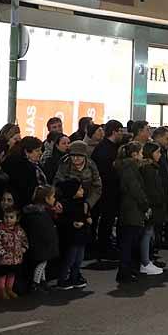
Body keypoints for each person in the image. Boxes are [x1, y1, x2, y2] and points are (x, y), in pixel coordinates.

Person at [115, 142, 148, 283]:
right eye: (141, 153)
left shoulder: (127, 167)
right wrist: (145, 205)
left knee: (129, 242)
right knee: (129, 243)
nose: (142, 156)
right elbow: (135, 189)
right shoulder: (130, 168)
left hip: (129, 208)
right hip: (132, 209)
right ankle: (124, 272)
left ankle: (127, 271)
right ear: (134, 154)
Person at [91, 120, 124, 260]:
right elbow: (106, 171)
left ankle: (105, 246)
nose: (122, 134)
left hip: (110, 190)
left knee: (108, 220)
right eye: (121, 131)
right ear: (114, 131)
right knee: (106, 220)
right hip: (106, 191)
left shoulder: (110, 147)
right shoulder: (104, 149)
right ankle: (104, 248)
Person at [20, 186, 61, 293]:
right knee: (41, 264)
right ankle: (36, 283)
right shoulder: (40, 214)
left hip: (42, 245)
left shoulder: (40, 212)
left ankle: (42, 282)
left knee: (43, 264)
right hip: (42, 246)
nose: (54, 199)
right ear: (46, 199)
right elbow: (44, 232)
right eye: (53, 196)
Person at [138, 142, 168, 275]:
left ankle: (146, 261)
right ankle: (145, 262)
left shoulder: (151, 167)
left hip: (152, 205)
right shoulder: (149, 169)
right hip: (151, 206)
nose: (160, 155)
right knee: (147, 234)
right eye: (157, 152)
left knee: (148, 234)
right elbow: (152, 190)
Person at [55, 179, 91, 290]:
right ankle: (62, 280)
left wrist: (87, 219)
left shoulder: (83, 203)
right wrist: (72, 223)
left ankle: (74, 278)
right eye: (79, 189)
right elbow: (61, 220)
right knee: (69, 259)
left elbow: (86, 216)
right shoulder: (65, 204)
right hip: (71, 236)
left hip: (81, 235)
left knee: (79, 259)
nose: (82, 190)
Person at [0, 207, 28, 300]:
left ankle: (9, 289)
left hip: (15, 259)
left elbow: (24, 240)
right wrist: (2, 253)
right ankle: (1, 291)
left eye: (11, 217)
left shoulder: (19, 230)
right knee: (2, 275)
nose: (8, 219)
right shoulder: (0, 230)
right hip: (3, 259)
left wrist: (24, 248)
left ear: (17, 219)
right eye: (6, 217)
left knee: (12, 274)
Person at [2, 136, 47, 208]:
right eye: (37, 151)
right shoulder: (23, 167)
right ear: (27, 152)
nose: (40, 153)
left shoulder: (35, 165)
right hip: (24, 206)